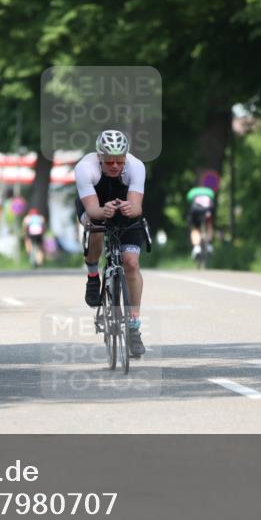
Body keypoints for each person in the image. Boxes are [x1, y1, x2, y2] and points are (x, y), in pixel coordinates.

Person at [75, 129, 147, 358]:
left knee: (131, 264)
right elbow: (93, 209)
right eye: (109, 162)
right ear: (99, 157)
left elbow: (137, 206)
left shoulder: (136, 167)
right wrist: (102, 211)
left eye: (120, 161)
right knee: (96, 227)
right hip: (95, 205)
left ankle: (134, 327)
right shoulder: (85, 168)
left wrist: (130, 208)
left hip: (124, 209)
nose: (115, 166)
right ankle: (93, 275)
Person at [186, 185, 216, 260]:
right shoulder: (209, 192)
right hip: (208, 210)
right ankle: (209, 244)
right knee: (209, 225)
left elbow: (189, 201)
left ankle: (196, 247)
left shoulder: (192, 192)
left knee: (195, 228)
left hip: (196, 211)